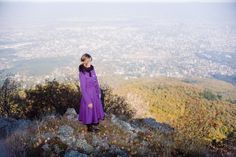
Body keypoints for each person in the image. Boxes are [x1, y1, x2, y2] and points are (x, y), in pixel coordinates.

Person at [78, 53, 105, 132]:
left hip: (95, 93)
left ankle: (95, 125)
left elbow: (96, 81)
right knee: (89, 110)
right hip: (88, 94)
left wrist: (99, 92)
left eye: (90, 61)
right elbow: (83, 88)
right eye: (88, 61)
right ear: (84, 62)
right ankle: (89, 128)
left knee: (95, 109)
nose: (90, 63)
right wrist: (88, 101)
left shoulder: (92, 69)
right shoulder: (82, 73)